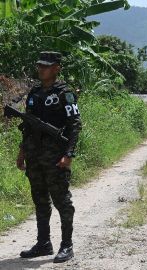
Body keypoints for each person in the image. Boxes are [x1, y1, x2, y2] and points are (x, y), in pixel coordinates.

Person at [16, 51, 82, 263]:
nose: (41, 69)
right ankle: (44, 243)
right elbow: (27, 125)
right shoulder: (34, 92)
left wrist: (69, 154)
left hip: (55, 157)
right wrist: (22, 151)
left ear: (56, 68)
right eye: (39, 65)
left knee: (62, 200)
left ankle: (67, 245)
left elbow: (74, 126)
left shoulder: (65, 93)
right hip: (34, 155)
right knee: (40, 200)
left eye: (46, 66)